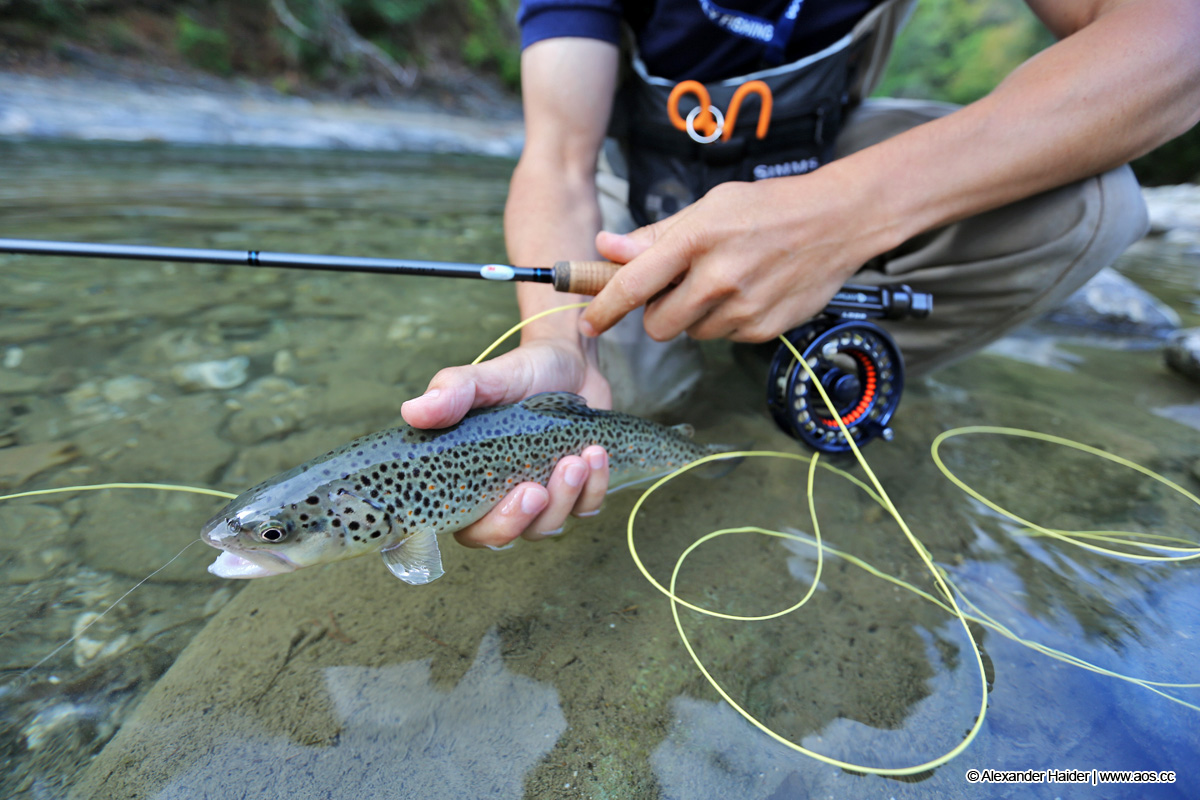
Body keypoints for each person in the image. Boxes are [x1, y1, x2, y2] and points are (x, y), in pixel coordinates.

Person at [401, 0, 1200, 551]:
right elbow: (559, 160)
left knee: (1095, 202)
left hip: (835, 168)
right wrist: (559, 342)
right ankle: (738, 373)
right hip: (634, 206)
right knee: (613, 419)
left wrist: (839, 215)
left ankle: (796, 367)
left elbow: (1180, 40)